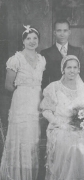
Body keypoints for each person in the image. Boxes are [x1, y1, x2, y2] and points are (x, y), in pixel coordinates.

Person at [40, 55, 84, 180]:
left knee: (81, 145)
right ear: (63, 69)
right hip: (59, 126)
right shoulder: (54, 87)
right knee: (68, 145)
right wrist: (60, 123)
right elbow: (46, 111)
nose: (72, 70)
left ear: (79, 69)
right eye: (69, 67)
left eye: (75, 67)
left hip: (78, 128)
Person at [0, 25, 46, 180]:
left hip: (37, 103)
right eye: (28, 38)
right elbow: (8, 85)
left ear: (38, 41)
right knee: (21, 138)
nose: (32, 41)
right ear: (23, 41)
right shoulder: (16, 59)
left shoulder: (41, 60)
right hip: (21, 102)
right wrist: (23, 94)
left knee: (33, 139)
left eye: (35, 38)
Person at [41, 19, 84, 89]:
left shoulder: (78, 51)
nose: (62, 34)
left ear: (69, 32)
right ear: (54, 32)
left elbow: (83, 75)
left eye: (65, 31)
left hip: (74, 92)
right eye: (59, 30)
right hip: (54, 92)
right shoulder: (45, 53)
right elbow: (44, 79)